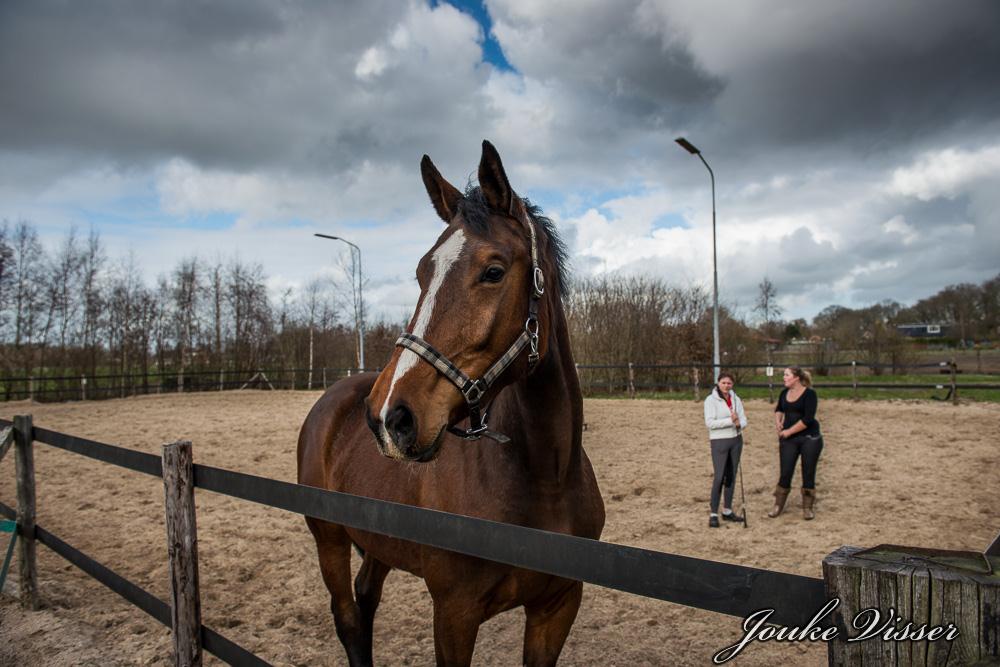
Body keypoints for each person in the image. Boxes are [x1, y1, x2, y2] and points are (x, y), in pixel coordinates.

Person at [768, 366, 823, 520]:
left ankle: (807, 507)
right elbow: (779, 409)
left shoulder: (810, 394)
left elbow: (807, 419)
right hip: (789, 440)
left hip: (810, 438)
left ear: (796, 378)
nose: (784, 378)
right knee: (785, 472)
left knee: (808, 472)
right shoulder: (784, 393)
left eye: (787, 375)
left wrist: (789, 431)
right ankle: (778, 505)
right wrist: (778, 422)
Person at [703, 372, 748, 528]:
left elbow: (743, 419)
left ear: (732, 384)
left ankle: (727, 510)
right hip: (719, 441)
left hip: (736, 440)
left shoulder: (736, 399)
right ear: (718, 383)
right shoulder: (710, 400)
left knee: (731, 476)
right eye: (723, 383)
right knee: (719, 476)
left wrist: (739, 424)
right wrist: (730, 421)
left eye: (729, 383)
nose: (726, 386)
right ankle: (713, 514)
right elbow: (710, 423)